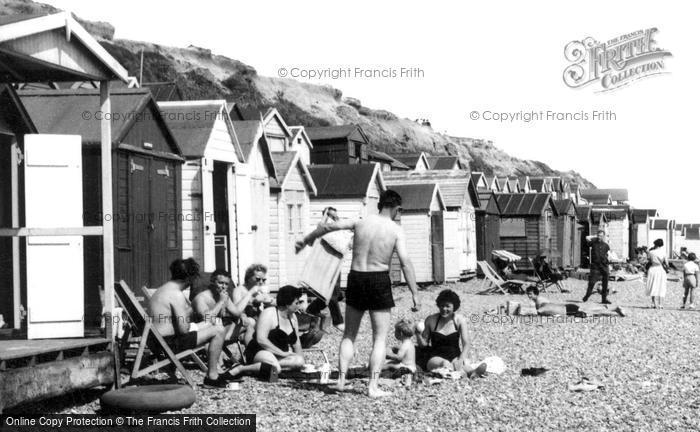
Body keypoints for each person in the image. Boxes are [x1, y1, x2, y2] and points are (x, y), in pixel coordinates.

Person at [296, 189, 420, 398]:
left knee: (349, 335)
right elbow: (406, 263)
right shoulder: (395, 230)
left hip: (356, 278)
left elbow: (327, 226)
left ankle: (342, 381)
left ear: (380, 204)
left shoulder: (361, 222)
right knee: (379, 338)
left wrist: (307, 239)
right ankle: (373, 387)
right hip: (379, 279)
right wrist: (415, 293)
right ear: (397, 208)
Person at [149, 258, 229, 388]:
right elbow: (184, 329)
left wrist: (192, 310)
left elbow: (171, 319)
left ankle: (216, 368)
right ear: (190, 278)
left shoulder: (162, 290)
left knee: (212, 324)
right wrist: (192, 311)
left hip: (157, 340)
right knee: (219, 330)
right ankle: (212, 377)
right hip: (168, 344)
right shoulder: (176, 295)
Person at [242, 285, 305, 374]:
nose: (299, 306)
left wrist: (303, 364)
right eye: (296, 303)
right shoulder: (269, 313)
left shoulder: (293, 317)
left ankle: (265, 367)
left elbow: (296, 343)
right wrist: (283, 354)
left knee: (299, 361)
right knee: (275, 369)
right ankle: (242, 368)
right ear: (287, 304)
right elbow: (261, 340)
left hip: (278, 355)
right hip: (261, 351)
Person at [415, 289, 480, 373]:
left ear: (454, 307)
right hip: (435, 357)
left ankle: (473, 372)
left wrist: (461, 359)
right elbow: (423, 345)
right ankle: (459, 371)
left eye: (447, 306)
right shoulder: (431, 320)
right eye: (441, 305)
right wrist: (418, 334)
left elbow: (466, 343)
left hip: (454, 356)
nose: (444, 309)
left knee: (461, 365)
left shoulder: (459, 320)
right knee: (445, 363)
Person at [306, 207, 346, 332]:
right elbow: (339, 245)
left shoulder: (336, 230)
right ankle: (338, 321)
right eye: (332, 217)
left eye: (336, 216)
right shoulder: (324, 229)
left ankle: (312, 309)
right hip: (326, 265)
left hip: (336, 263)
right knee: (332, 294)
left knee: (337, 294)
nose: (335, 218)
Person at [233, 264, 272, 344]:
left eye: (263, 280)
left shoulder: (260, 291)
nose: (261, 282)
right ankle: (251, 352)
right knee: (251, 322)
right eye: (258, 279)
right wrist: (252, 297)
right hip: (243, 323)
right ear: (249, 278)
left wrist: (268, 302)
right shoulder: (239, 290)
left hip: (258, 322)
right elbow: (235, 310)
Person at [526, 286, 626, 317]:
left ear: (535, 294)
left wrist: (536, 312)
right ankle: (614, 309)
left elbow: (545, 307)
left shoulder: (539, 301)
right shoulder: (539, 299)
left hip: (569, 310)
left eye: (530, 294)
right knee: (593, 311)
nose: (528, 295)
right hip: (567, 308)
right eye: (528, 293)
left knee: (594, 312)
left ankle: (615, 308)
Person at [582, 229, 611, 304]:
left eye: (601, 236)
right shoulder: (593, 243)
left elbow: (608, 255)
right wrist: (595, 236)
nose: (599, 237)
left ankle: (604, 299)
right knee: (591, 282)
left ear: (603, 236)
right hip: (595, 266)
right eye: (598, 235)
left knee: (605, 283)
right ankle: (587, 295)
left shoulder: (606, 245)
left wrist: (608, 265)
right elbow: (587, 237)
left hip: (604, 266)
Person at [646, 239, 669, 309]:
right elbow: (667, 263)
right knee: (661, 285)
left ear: (655, 244)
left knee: (653, 285)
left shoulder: (651, 252)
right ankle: (660, 304)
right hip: (661, 269)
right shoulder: (664, 252)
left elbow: (649, 260)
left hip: (653, 269)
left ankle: (653, 303)